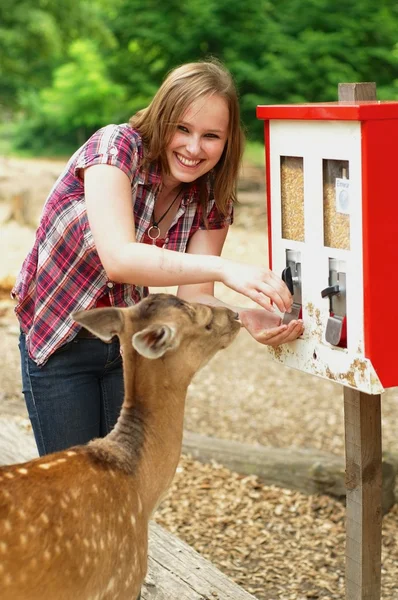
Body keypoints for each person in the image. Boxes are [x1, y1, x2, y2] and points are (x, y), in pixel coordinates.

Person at [12, 59, 304, 459]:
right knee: (76, 494)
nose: (193, 148)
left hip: (131, 348)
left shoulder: (211, 194)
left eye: (211, 136)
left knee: (122, 487)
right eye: (182, 128)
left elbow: (195, 298)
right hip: (59, 342)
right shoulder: (114, 148)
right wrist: (226, 268)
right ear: (163, 117)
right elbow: (119, 258)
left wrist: (242, 315)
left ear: (228, 140)